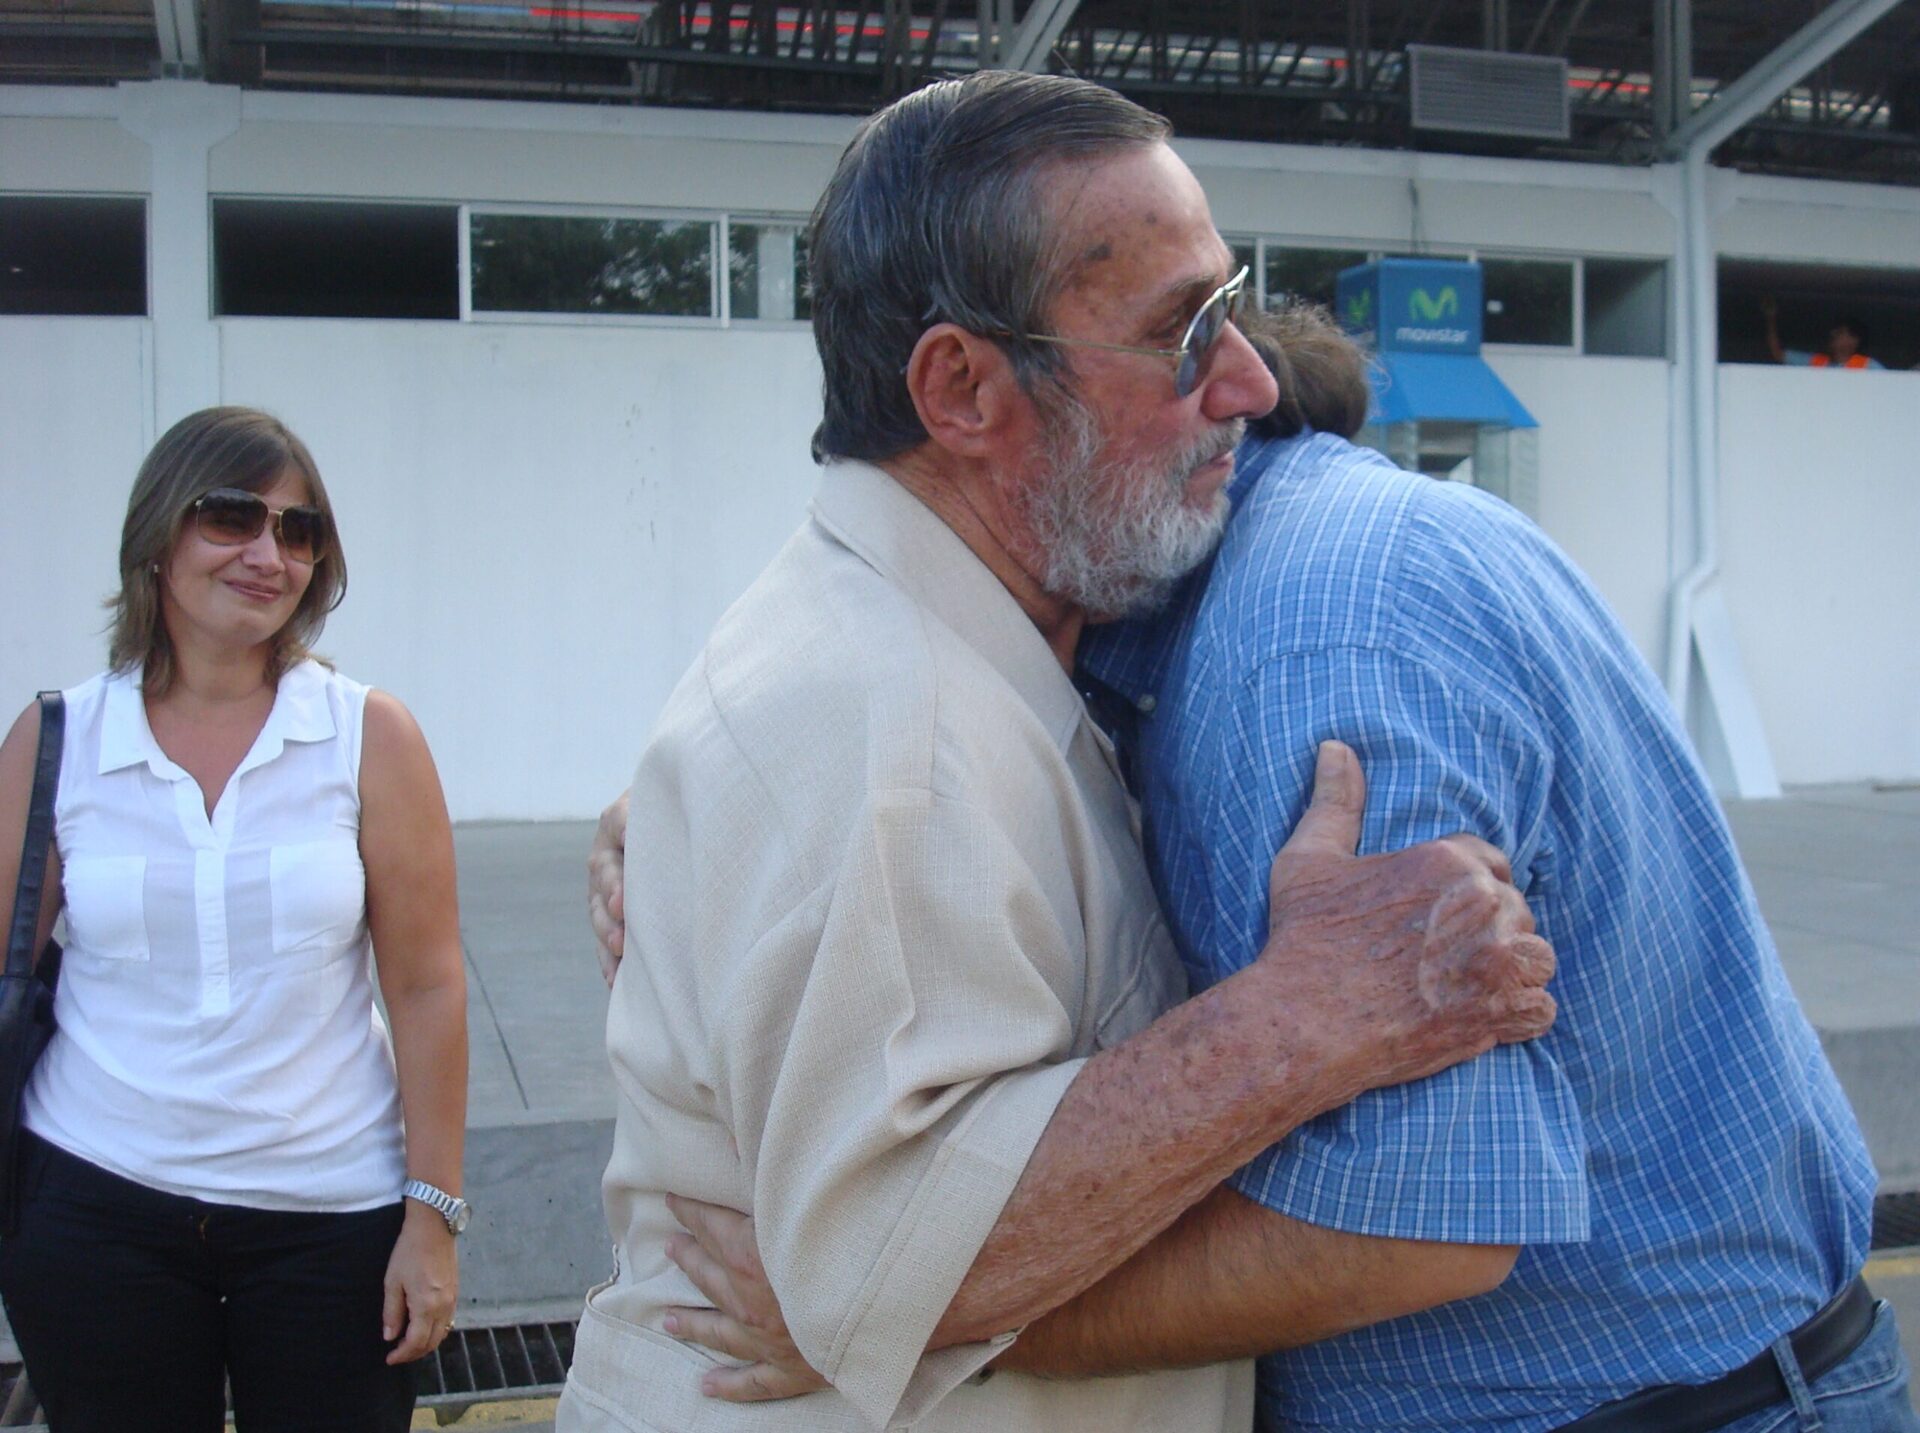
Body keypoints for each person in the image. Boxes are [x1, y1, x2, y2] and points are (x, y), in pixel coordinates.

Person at [624, 300, 1918, 1431]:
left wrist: (900, 1309)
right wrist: (714, 804)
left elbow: (1419, 1221)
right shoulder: (1218, 593)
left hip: (1640, 1404)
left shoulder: (1313, 642)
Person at [558, 71, 1557, 1433]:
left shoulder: (957, 645)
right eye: (1181, 332)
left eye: (1233, 306)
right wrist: (1311, 1016)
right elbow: (882, 1267)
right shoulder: (882, 728)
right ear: (963, 387)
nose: (1252, 382)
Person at [0, 407, 471, 1432]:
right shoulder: (57, 739)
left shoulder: (367, 734)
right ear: (159, 539)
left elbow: (428, 984)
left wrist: (431, 1217)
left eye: (299, 531)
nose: (270, 552)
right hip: (96, 1205)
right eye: (233, 517)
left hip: (331, 1217)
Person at [1763, 294, 1885, 369]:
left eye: (1840, 332)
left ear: (1854, 340)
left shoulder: (1868, 366)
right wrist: (1771, 318)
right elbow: (1778, 354)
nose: (1833, 334)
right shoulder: (1818, 362)